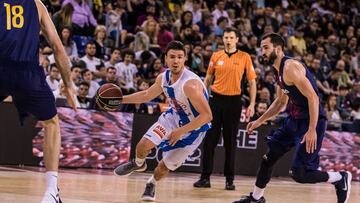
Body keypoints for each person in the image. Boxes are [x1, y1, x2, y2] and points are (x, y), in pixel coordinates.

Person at [233, 33, 351, 203]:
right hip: (293, 120)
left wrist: (311, 130)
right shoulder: (277, 70)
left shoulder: (290, 67)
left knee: (300, 173)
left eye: (266, 48)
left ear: (278, 49)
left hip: (312, 122)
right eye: (261, 48)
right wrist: (259, 121)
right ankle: (256, 198)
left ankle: (339, 177)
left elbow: (313, 98)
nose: (262, 52)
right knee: (268, 158)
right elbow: (281, 102)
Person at [113, 41, 212, 201]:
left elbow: (207, 116)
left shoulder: (190, 85)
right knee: (142, 145)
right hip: (172, 118)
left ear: (185, 59)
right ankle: (139, 163)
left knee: (163, 167)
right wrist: (119, 100)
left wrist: (180, 131)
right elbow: (146, 95)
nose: (176, 61)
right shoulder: (163, 77)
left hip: (194, 129)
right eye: (172, 57)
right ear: (165, 58)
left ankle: (151, 183)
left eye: (180, 57)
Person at [0, 0, 76, 202]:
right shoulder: (36, 4)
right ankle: (51, 191)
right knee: (51, 123)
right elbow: (58, 48)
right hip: (27, 72)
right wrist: (68, 85)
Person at [194, 27, 257, 190]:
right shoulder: (216, 56)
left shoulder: (245, 57)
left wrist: (252, 104)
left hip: (234, 102)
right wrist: (203, 97)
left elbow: (252, 83)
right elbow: (208, 78)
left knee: (230, 142)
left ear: (237, 40)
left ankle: (229, 180)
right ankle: (205, 178)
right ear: (223, 39)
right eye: (226, 37)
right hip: (215, 101)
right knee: (209, 141)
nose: (228, 40)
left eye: (231, 37)